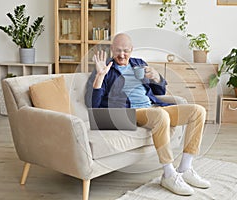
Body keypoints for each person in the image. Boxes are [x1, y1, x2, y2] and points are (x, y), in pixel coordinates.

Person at [85, 33, 211, 195]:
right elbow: (93, 105)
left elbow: (160, 91)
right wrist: (100, 76)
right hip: (127, 113)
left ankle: (185, 168)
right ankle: (168, 174)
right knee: (160, 116)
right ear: (111, 49)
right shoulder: (105, 68)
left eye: (125, 51)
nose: (121, 55)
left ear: (131, 50)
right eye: (117, 51)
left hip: (152, 107)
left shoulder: (139, 64)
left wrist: (157, 77)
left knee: (197, 111)